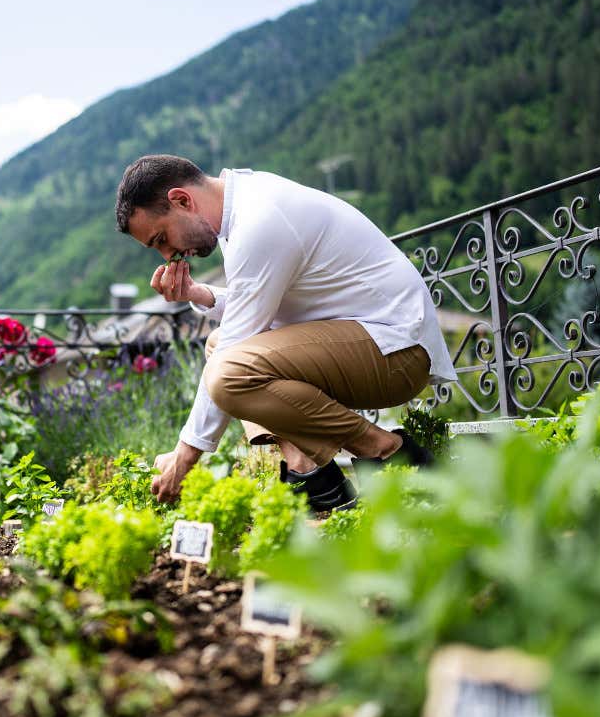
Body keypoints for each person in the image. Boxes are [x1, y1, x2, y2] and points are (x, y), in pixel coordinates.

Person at [114, 155, 457, 512]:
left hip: (397, 352)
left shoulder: (260, 219)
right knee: (222, 350)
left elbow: (240, 340)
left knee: (229, 371)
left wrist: (184, 457)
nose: (168, 255)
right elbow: (256, 306)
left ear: (182, 200)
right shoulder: (244, 207)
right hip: (369, 341)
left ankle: (388, 452)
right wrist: (198, 294)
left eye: (161, 239)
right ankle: (309, 474)